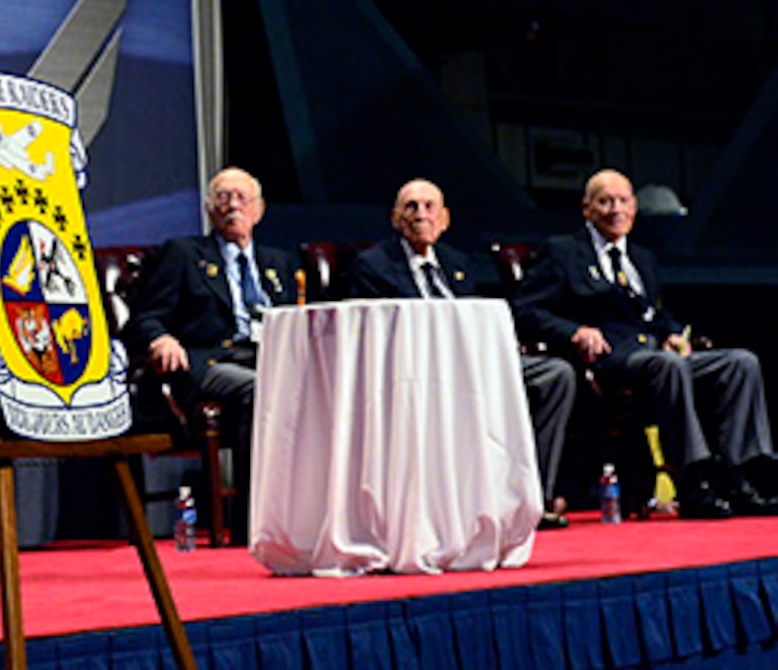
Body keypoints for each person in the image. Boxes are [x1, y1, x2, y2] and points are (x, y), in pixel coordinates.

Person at [513, 169, 778, 519]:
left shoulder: (643, 258)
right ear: (587, 208)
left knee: (740, 362)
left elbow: (657, 312)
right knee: (667, 366)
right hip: (610, 361)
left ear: (635, 208)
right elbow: (525, 309)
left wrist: (671, 332)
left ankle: (742, 474)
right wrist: (575, 331)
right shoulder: (563, 252)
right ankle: (693, 478)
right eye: (605, 201)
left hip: (654, 353)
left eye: (623, 201)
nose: (615, 209)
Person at [347, 178, 578, 529]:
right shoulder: (374, 264)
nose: (421, 215)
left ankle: (532, 499)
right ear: (396, 219)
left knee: (555, 374)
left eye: (429, 207)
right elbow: (375, 332)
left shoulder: (458, 262)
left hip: (472, 362)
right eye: (411, 207)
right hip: (418, 369)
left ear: (445, 219)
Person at [123, 167, 297, 492]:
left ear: (258, 211)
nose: (233, 205)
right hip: (209, 362)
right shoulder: (184, 254)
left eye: (242, 198)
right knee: (259, 389)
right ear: (208, 209)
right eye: (223, 197)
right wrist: (160, 338)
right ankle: (252, 515)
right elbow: (146, 316)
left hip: (267, 357)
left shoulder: (278, 263)